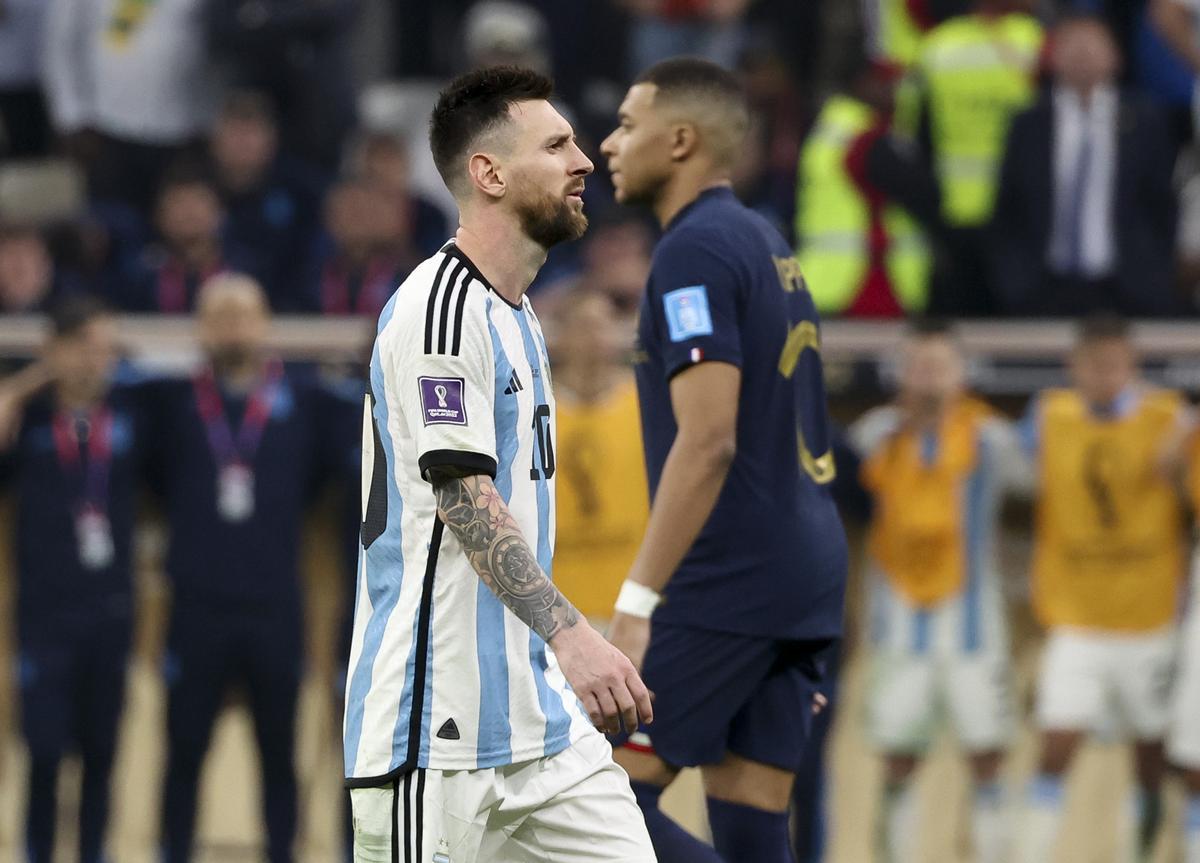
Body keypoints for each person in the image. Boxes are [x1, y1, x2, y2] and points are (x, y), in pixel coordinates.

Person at [341, 66, 655, 862]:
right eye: (556, 145)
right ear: (489, 173)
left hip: (541, 725)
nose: (584, 161)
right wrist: (576, 636)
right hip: (434, 728)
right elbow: (464, 495)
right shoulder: (438, 309)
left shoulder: (518, 316)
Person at [600, 57, 847, 863]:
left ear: (679, 140)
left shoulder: (693, 251)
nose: (608, 143)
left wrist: (637, 600)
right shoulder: (765, 241)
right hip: (800, 573)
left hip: (728, 576)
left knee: (589, 800)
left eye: (627, 125)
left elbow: (709, 440)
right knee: (749, 817)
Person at [150, 274, 352, 863]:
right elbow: (156, 480)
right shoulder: (172, 405)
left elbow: (319, 483)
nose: (233, 327)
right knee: (184, 749)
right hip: (194, 606)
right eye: (220, 315)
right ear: (200, 328)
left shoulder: (303, 405)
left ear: (266, 325)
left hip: (274, 607)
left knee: (277, 752)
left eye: (244, 314)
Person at [1013, 314, 1187, 863]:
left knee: (1153, 757)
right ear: (1074, 368)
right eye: (1093, 366)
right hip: (1076, 618)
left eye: (1115, 366)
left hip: (1149, 617)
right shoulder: (1046, 417)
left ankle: (1144, 851)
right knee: (1055, 745)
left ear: (1132, 367)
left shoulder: (1170, 420)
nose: (1105, 376)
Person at [850, 320, 1025, 863]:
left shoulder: (991, 438)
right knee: (899, 758)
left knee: (988, 756)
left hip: (977, 629)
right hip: (898, 628)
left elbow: (1038, 493)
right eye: (918, 366)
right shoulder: (873, 436)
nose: (928, 379)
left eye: (940, 367)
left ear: (961, 375)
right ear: (900, 372)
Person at [0, 296, 144, 863]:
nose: (97, 359)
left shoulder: (134, 413)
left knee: (101, 753)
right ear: (54, 350)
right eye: (84, 346)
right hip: (45, 616)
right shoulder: (26, 420)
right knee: (41, 751)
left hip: (112, 611)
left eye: (106, 347)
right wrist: (25, 384)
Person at [991, 13, 1179, 317]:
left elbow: (1162, 206)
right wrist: (1014, 280)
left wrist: (1154, 272)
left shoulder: (1145, 120)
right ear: (1053, 57)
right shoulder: (1028, 123)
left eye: (1092, 43)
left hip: (1128, 289)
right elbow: (1009, 208)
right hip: (1042, 288)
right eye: (1071, 44)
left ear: (1115, 56)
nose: (1082, 53)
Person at [894, 0, 1044, 315]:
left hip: (989, 212)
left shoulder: (939, 45)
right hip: (987, 215)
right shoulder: (1033, 38)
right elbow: (915, 134)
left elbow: (912, 137)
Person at [795, 55, 934, 318]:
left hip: (829, 281)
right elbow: (922, 194)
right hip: (864, 282)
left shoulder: (831, 126)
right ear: (863, 83)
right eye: (886, 83)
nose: (895, 93)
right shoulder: (867, 136)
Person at [549, 288, 649, 621]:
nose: (593, 337)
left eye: (603, 325)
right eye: (583, 325)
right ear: (560, 336)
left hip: (630, 606)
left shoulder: (644, 408)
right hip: (559, 611)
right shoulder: (538, 411)